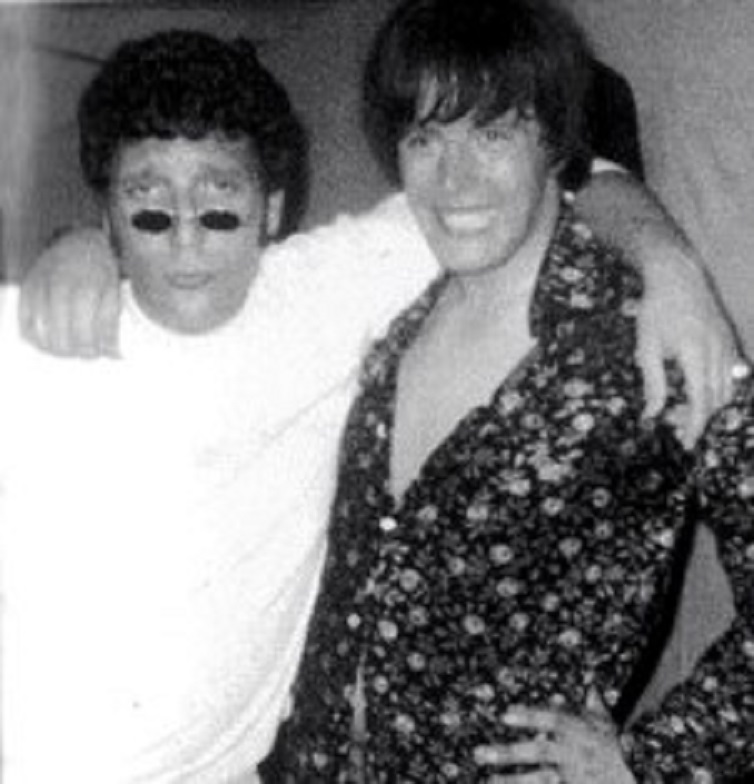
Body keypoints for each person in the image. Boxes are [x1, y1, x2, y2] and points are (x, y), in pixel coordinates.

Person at [281, 0, 754, 781]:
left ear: (554, 144)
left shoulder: (642, 342)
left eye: (493, 134)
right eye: (425, 139)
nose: (454, 178)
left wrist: (648, 763)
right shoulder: (393, 311)